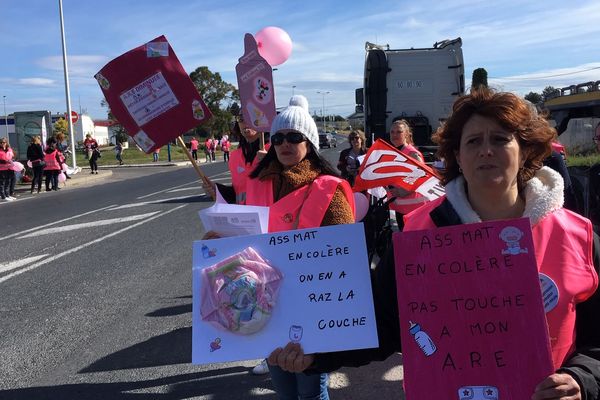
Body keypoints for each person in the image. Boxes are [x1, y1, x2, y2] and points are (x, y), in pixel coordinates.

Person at [269, 88, 600, 400]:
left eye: (500, 139)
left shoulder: (576, 237)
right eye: (473, 141)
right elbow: (382, 325)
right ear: (457, 154)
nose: (486, 150)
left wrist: (581, 378)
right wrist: (315, 353)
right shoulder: (416, 237)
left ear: (525, 150)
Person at [207, 96, 356, 398]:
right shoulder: (257, 183)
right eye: (277, 137)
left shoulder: (328, 187)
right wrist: (218, 243)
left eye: (294, 136)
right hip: (266, 306)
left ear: (309, 142)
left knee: (311, 391)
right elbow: (243, 237)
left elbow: (343, 256)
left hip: (313, 303)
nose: (284, 143)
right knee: (286, 391)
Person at [386, 119, 428, 230]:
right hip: (401, 208)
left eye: (399, 132)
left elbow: (423, 177)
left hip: (414, 208)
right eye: (392, 132)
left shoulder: (412, 154)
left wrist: (404, 191)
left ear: (406, 134)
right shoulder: (394, 153)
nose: (395, 135)